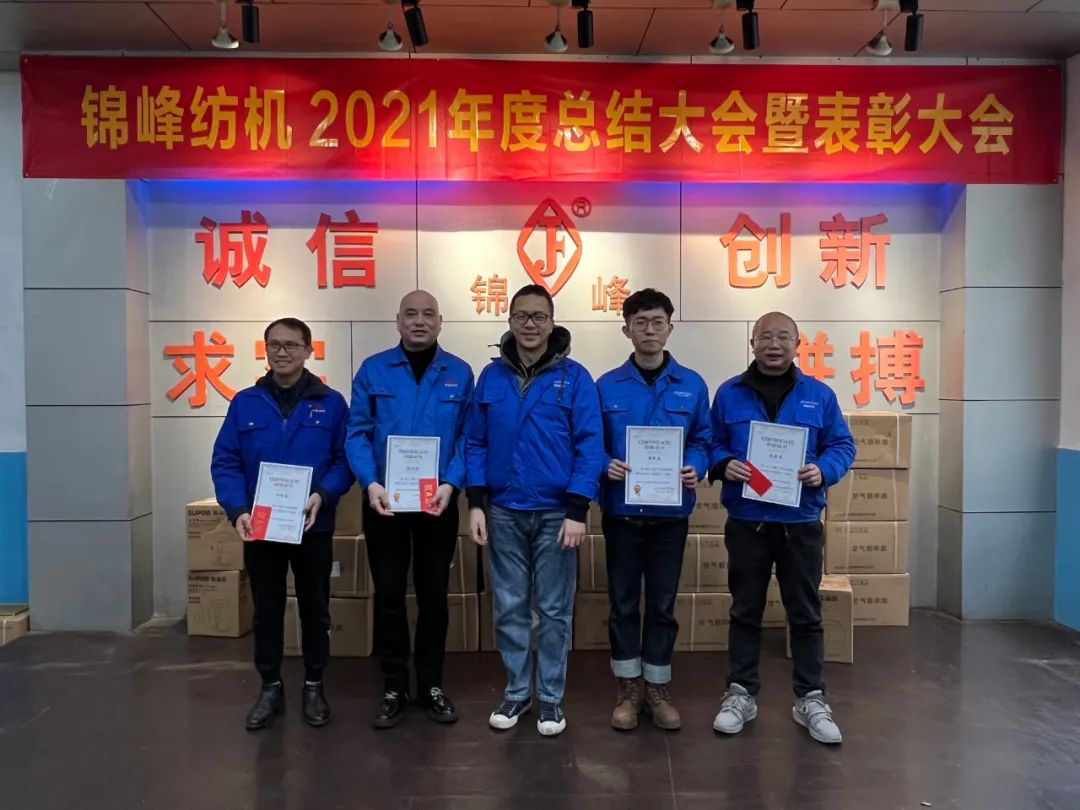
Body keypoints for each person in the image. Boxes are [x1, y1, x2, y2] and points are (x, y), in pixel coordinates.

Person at [708, 311, 855, 745]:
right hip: (747, 522)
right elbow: (711, 440)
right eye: (766, 337)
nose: (774, 345)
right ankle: (741, 694)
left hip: (800, 523)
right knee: (745, 611)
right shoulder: (729, 393)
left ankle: (810, 698)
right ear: (752, 342)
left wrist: (823, 470)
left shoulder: (819, 395)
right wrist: (723, 463)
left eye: (783, 337)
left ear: (797, 343)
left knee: (805, 614)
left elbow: (842, 444)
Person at [465, 283, 604, 737]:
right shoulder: (491, 378)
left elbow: (590, 445)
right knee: (509, 606)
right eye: (521, 316)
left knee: (554, 609)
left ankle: (550, 699)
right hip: (504, 509)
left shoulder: (575, 378)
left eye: (538, 316)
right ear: (509, 321)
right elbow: (476, 442)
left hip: (555, 513)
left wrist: (578, 508)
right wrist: (476, 502)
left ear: (552, 322)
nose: (530, 324)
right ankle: (517, 691)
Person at [211, 317, 353, 731]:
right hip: (261, 527)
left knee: (316, 610)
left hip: (312, 525)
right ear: (265, 350)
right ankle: (270, 687)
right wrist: (237, 509)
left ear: (309, 350)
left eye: (292, 344)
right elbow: (226, 461)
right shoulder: (246, 403)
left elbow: (344, 460)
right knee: (267, 611)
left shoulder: (331, 403)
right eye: (274, 344)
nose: (282, 352)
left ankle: (314, 685)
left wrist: (323, 494)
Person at [345, 290, 474, 729]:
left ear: (441, 322)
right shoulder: (374, 369)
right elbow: (357, 433)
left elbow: (468, 438)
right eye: (411, 314)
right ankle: (394, 685)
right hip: (385, 503)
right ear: (398, 320)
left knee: (435, 596)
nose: (420, 321)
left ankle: (431, 684)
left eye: (428, 314)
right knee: (388, 595)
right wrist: (370, 482)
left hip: (438, 503)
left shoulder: (459, 372)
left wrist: (452, 482)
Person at [595, 289, 711, 732]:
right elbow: (590, 441)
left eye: (657, 322)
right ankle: (628, 688)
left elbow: (703, 439)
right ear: (626, 329)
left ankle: (658, 688)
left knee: (662, 604)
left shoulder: (692, 384)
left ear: (669, 328)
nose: (649, 330)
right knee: (623, 603)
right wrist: (606, 463)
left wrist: (696, 465)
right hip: (621, 513)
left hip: (670, 516)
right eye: (640, 322)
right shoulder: (607, 386)